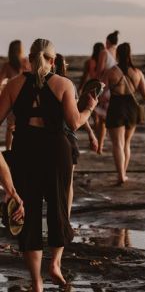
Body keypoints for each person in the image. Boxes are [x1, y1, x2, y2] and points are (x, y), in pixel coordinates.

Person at [0, 39, 97, 292]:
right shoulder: (64, 84)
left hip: (24, 151)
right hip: (56, 150)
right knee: (58, 206)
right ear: (53, 60)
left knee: (28, 213)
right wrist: (89, 108)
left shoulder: (13, 85)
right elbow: (74, 123)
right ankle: (55, 264)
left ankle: (37, 282)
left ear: (30, 59)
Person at [104, 43, 145, 185]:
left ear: (117, 54)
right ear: (130, 55)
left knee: (117, 144)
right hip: (132, 109)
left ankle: (121, 175)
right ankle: (124, 173)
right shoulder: (137, 73)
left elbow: (101, 92)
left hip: (116, 107)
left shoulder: (111, 72)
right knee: (126, 143)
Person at [55, 54, 99, 216]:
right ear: (64, 66)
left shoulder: (43, 85)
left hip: (47, 137)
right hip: (68, 137)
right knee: (68, 183)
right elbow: (76, 114)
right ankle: (65, 218)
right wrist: (91, 134)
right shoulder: (68, 85)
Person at [0, 40, 30, 150]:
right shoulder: (26, 62)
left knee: (10, 127)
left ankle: (9, 150)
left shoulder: (7, 66)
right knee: (25, 125)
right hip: (26, 97)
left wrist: (3, 88)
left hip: (11, 98)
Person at [94, 31, 119, 155]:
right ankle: (104, 144)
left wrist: (95, 86)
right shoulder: (117, 53)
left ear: (108, 41)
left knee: (99, 117)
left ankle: (100, 144)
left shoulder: (104, 52)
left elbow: (99, 71)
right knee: (106, 118)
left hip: (104, 87)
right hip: (115, 89)